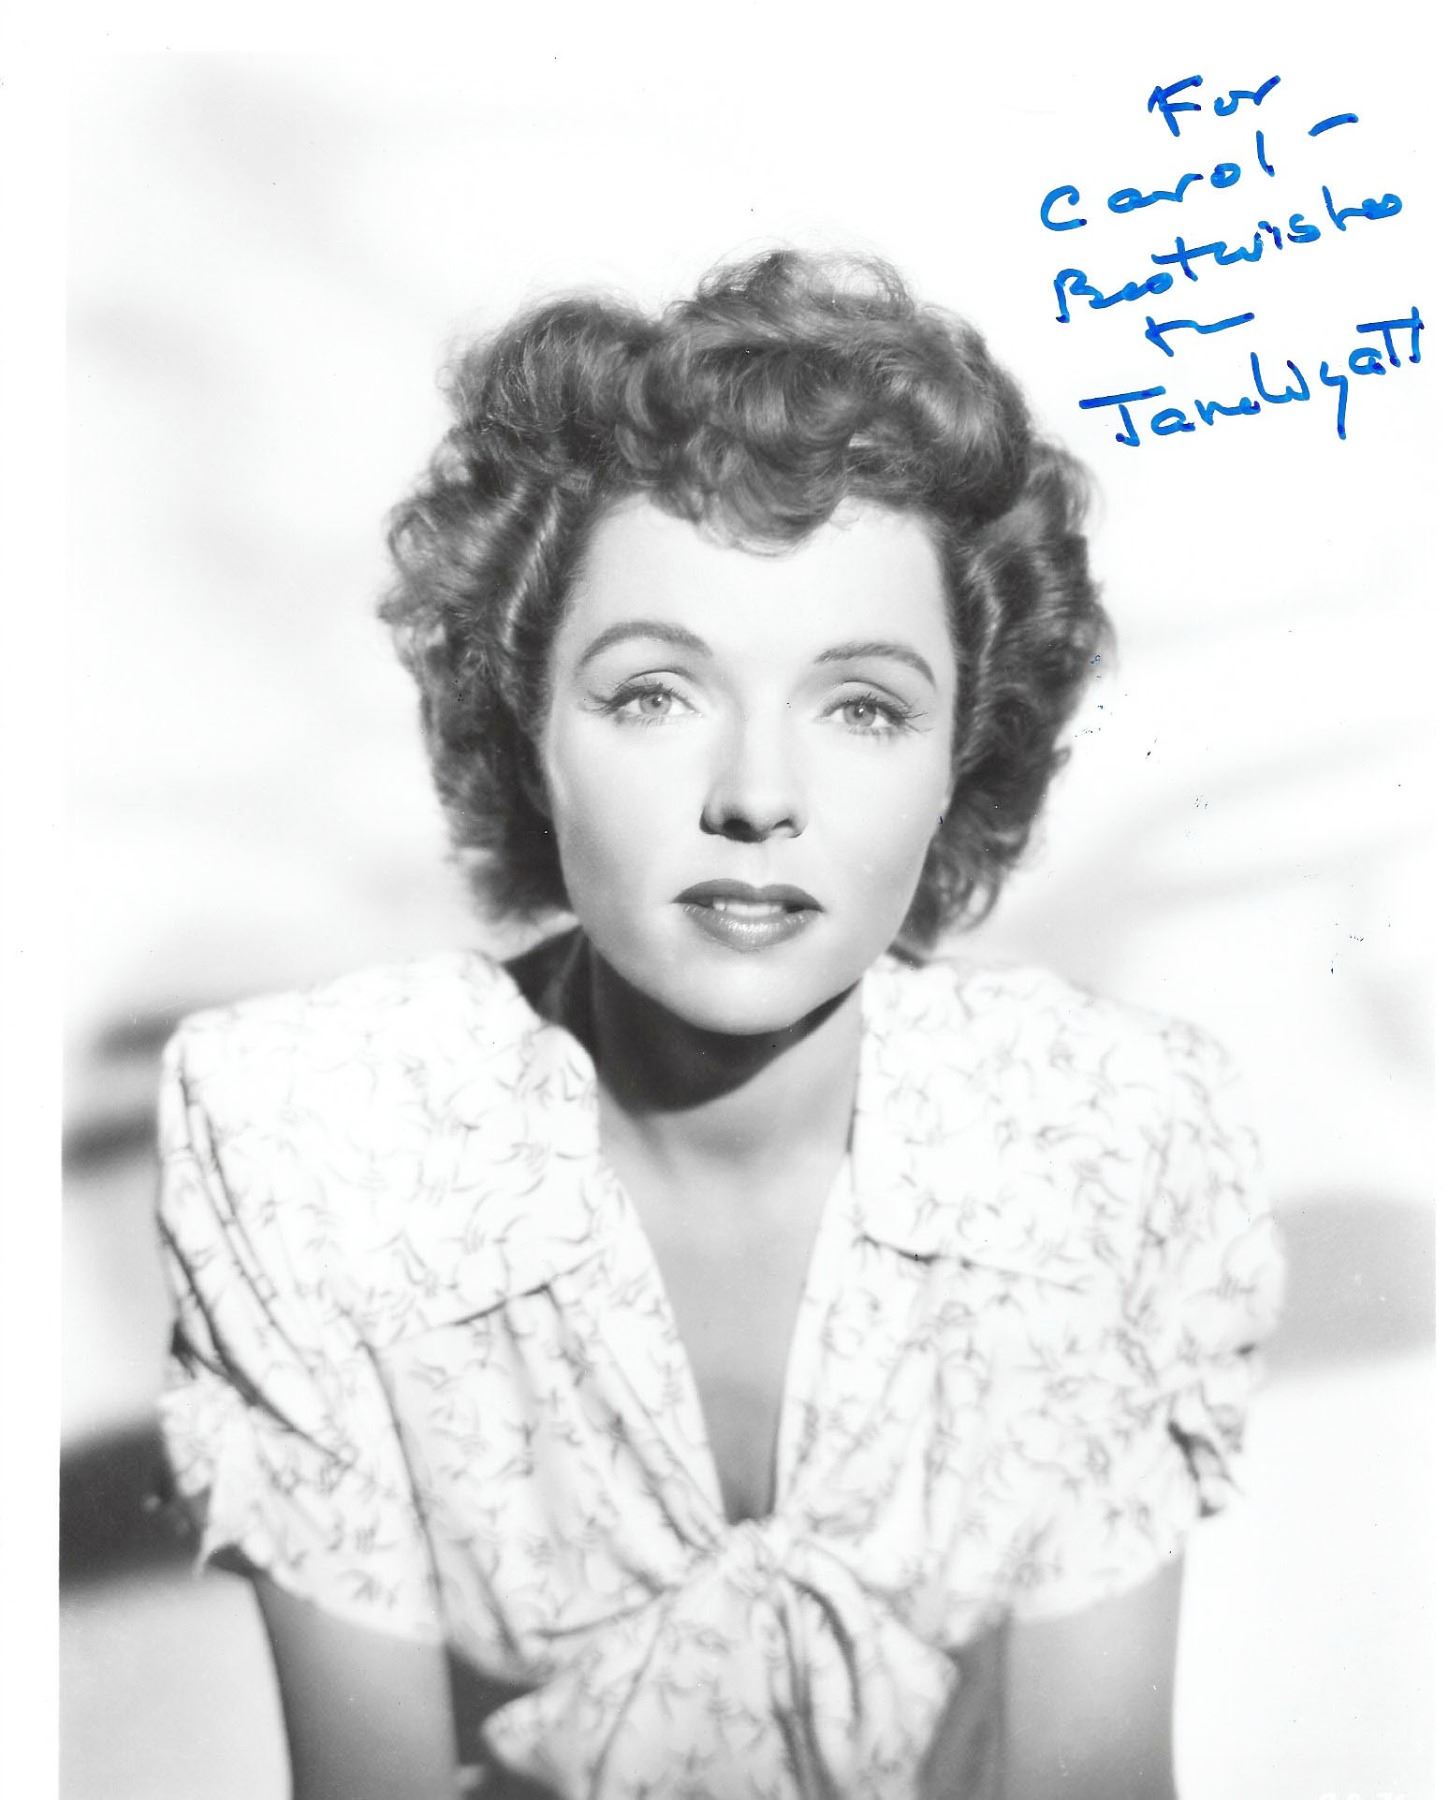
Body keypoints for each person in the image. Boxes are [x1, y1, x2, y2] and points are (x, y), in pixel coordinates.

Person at [154, 249, 1284, 1800]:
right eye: (653, 694)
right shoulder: (310, 1143)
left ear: (965, 751)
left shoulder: (1116, 1143)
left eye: (864, 706)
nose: (756, 796)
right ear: (526, 728)